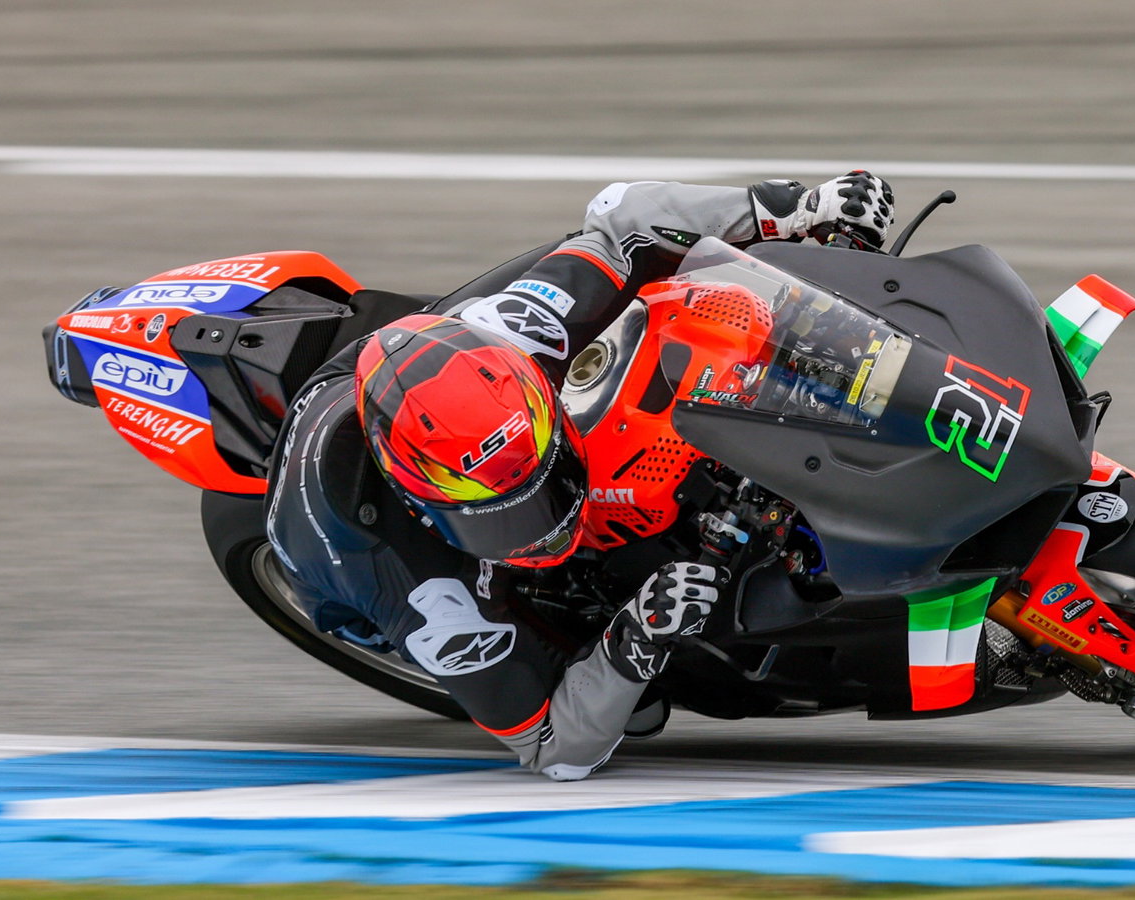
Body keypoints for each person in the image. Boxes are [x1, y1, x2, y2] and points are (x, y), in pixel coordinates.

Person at [265, 172, 895, 781]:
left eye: (546, 482)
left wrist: (793, 209)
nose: (548, 520)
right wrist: (637, 633)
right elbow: (555, 750)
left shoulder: (515, 336)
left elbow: (623, 215)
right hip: (364, 563)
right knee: (636, 712)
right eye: (512, 510)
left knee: (654, 275)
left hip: (427, 361)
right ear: (420, 502)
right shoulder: (410, 584)